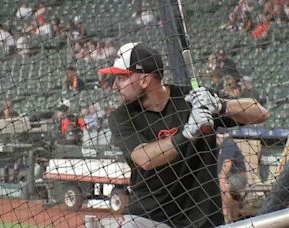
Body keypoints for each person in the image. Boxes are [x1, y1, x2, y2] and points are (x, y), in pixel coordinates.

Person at [98, 42, 269, 227]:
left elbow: (260, 113)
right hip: (147, 219)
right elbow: (145, 158)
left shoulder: (192, 99)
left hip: (202, 220)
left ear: (144, 80)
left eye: (122, 78)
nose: (115, 86)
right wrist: (187, 133)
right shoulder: (121, 116)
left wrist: (221, 105)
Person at [217, 133, 248, 223]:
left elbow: (228, 162)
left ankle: (226, 217)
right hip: (230, 177)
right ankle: (234, 219)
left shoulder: (228, 143)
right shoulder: (219, 146)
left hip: (238, 177)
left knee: (222, 187)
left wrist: (222, 179)